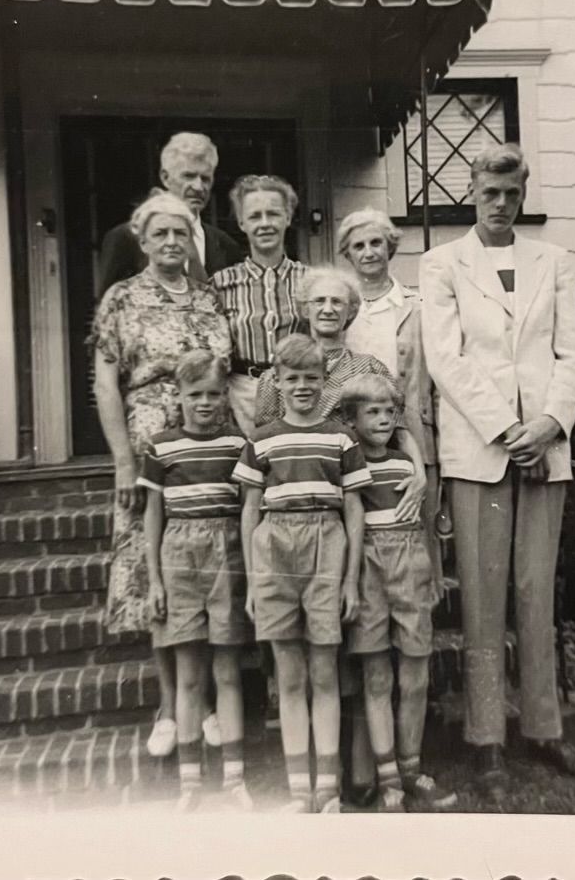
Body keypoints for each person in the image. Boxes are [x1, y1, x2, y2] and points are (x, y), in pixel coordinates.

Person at [419, 142, 575, 805]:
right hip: (482, 449)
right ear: (471, 191)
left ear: (523, 194)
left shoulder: (554, 262)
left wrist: (549, 424)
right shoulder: (441, 264)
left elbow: (570, 352)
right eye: (489, 192)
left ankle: (544, 729)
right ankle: (486, 737)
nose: (500, 203)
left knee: (536, 590)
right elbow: (445, 357)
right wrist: (504, 428)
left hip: (545, 447)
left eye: (511, 193)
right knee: (485, 600)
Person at [91, 192, 231, 760]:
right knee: (160, 575)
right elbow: (104, 384)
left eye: (180, 233)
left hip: (207, 441)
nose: (171, 242)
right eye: (160, 234)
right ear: (141, 241)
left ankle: (215, 703)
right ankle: (172, 707)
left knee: (210, 564)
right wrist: (124, 460)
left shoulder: (210, 297)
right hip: (150, 442)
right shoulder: (121, 298)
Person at [233, 335, 372, 813]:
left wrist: (350, 579)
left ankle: (327, 789)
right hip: (275, 551)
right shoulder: (262, 438)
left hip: (326, 549)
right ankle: (298, 790)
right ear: (276, 380)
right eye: (292, 379)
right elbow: (249, 512)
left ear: (325, 381)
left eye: (311, 378)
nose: (302, 387)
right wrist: (253, 581)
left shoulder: (340, 437)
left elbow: (354, 511)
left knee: (324, 673)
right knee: (289, 677)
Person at [139, 350, 252, 812]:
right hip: (179, 559)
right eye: (194, 395)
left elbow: (249, 507)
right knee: (188, 675)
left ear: (225, 396)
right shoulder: (161, 446)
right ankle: (190, 783)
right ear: (178, 397)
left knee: (227, 672)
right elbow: (152, 518)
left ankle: (234, 779)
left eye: (212, 394)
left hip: (227, 555)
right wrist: (155, 582)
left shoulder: (236, 444)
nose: (204, 403)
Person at [339, 373, 456, 813]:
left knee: (414, 673)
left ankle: (411, 768)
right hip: (368, 568)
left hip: (410, 564)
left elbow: (424, 525)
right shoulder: (345, 466)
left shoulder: (407, 467)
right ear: (351, 418)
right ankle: (387, 776)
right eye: (372, 412)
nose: (384, 419)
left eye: (390, 411)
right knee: (376, 675)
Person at [337, 207, 438, 558]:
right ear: (347, 254)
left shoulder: (417, 306)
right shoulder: (340, 311)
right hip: (354, 437)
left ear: (390, 247)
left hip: (409, 434)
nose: (368, 252)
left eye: (376, 243)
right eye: (358, 245)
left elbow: (434, 380)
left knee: (415, 527)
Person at [212, 174, 306, 436]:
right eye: (254, 216)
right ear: (242, 223)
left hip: (297, 391)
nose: (265, 224)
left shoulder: (310, 280)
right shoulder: (220, 284)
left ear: (287, 218)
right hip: (242, 395)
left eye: (273, 214)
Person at [95, 132, 244, 297]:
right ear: (165, 177)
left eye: (205, 179)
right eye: (189, 176)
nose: (198, 187)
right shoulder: (126, 237)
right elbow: (108, 307)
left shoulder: (225, 244)